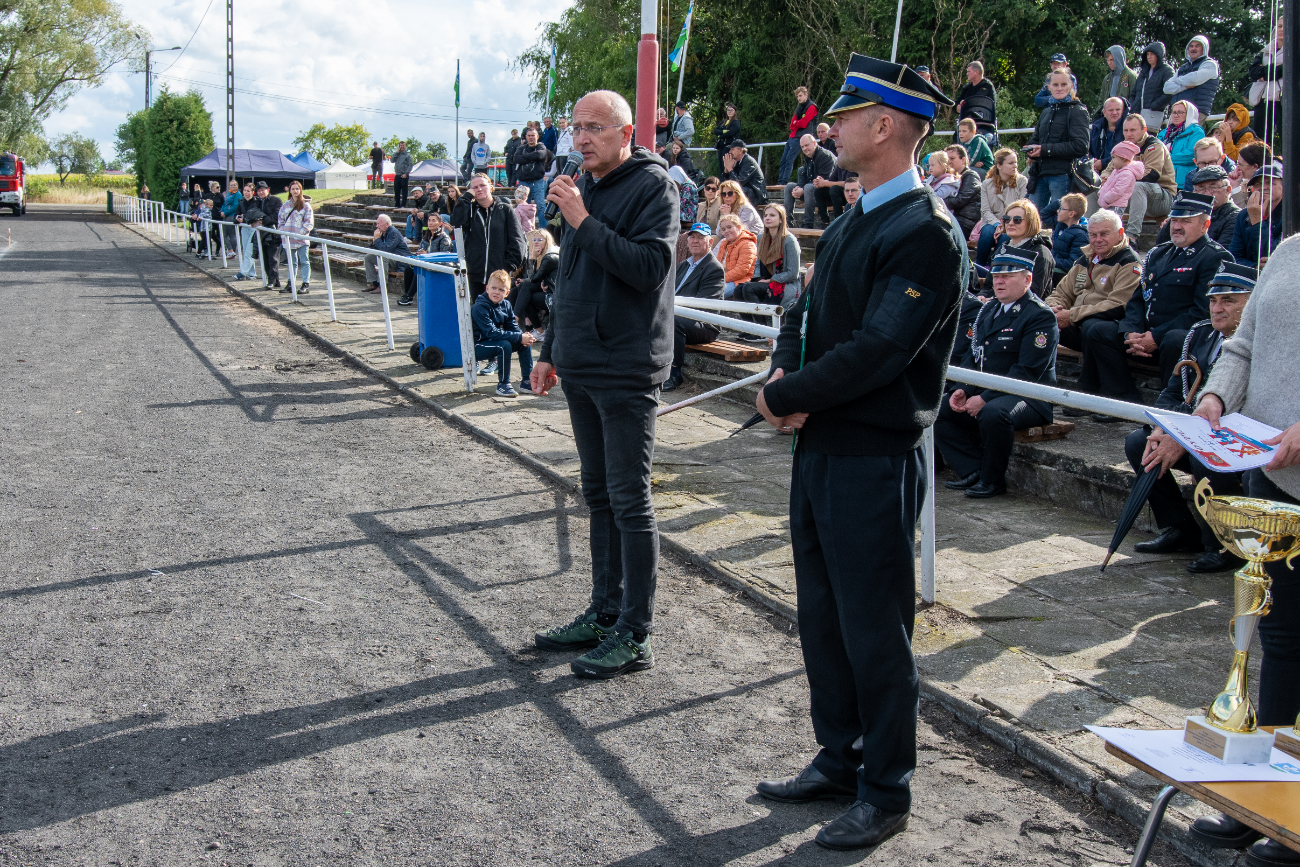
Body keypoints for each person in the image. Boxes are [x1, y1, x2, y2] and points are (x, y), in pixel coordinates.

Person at [752, 53, 963, 852]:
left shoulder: (925, 231)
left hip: (874, 454)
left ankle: (886, 787)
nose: (830, 128)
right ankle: (839, 756)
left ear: (883, 126)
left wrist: (789, 396)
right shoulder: (852, 217)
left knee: (876, 629)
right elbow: (802, 314)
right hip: (823, 447)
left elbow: (881, 349)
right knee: (824, 615)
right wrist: (784, 373)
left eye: (843, 117)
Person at [530, 89, 677, 679]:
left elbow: (648, 269)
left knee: (629, 499)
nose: (581, 138)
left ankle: (635, 632)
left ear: (626, 133)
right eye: (576, 127)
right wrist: (549, 350)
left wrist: (582, 221)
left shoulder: (654, 187)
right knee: (597, 495)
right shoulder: (583, 185)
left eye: (594, 127)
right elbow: (568, 278)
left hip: (627, 365)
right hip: (582, 362)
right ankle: (604, 611)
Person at [1189, 239, 1300, 867]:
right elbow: (1243, 347)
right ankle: (1265, 799)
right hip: (1272, 473)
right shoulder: (1288, 251)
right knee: (1279, 639)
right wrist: (1216, 397)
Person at [1125, 263, 1255, 573]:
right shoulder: (1200, 333)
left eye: (1229, 301)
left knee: (1206, 455)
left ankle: (1225, 544)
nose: (1217, 308)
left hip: (1236, 437)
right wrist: (1162, 427)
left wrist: (1186, 437)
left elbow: (1246, 408)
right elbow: (1175, 391)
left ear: (1253, 303)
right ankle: (1180, 528)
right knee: (1140, 443)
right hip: (1196, 428)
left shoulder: (1261, 342)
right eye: (1213, 300)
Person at [1081, 192, 1231, 410]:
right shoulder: (1158, 253)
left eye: (1186, 221)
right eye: (1175, 220)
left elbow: (1203, 312)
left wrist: (1156, 336)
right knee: (1098, 331)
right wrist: (1131, 331)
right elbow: (1138, 299)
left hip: (1179, 338)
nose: (1177, 226)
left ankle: (1170, 406)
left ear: (1205, 224)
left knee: (1174, 339)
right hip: (1147, 336)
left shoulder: (1215, 257)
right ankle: (1122, 400)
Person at [938, 250, 1058, 499]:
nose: (999, 281)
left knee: (994, 413)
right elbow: (973, 355)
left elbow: (1027, 372)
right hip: (991, 390)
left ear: (1027, 280)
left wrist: (984, 398)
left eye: (1007, 276)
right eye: (996, 276)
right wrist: (963, 388)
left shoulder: (1039, 316)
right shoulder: (990, 309)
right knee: (939, 408)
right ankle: (973, 469)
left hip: (1028, 397)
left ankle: (992, 480)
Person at [1044, 209, 1142, 371]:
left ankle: (1089, 381)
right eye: (1093, 235)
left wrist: (1072, 316)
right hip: (1078, 323)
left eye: (1104, 234)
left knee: (1092, 327)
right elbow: (1061, 292)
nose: (1098, 240)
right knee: (1041, 318)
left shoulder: (1129, 262)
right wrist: (1053, 309)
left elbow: (1118, 305)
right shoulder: (1086, 258)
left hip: (1107, 329)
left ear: (1120, 234)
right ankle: (1036, 376)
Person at [663, 223, 725, 392]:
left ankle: (674, 374)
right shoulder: (684, 265)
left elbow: (705, 305)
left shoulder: (714, 268)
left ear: (710, 242)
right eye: (692, 237)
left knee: (672, 321)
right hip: (680, 317)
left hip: (704, 325)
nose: (695, 241)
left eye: (700, 237)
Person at [1025, 69, 1090, 229]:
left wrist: (1045, 150)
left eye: (1063, 84)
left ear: (1071, 86)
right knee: (1032, 220)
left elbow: (1081, 146)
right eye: (1055, 84)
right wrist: (1030, 149)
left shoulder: (1078, 111)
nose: (1059, 88)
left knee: (1062, 221)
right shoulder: (1047, 111)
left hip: (1062, 174)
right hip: (1040, 173)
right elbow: (1036, 138)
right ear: (1049, 87)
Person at [449, 173, 526, 299]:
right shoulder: (470, 210)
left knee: (499, 310)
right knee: (478, 308)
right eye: (475, 187)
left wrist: (508, 266)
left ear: (491, 187)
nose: (479, 189)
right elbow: (456, 221)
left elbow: (517, 240)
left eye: (482, 185)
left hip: (499, 275)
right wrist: (466, 197)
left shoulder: (505, 210)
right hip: (475, 274)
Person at [736, 203, 800, 337]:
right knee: (739, 289)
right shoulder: (761, 238)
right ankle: (750, 328)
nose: (767, 218)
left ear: (781, 219)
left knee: (749, 289)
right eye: (765, 215)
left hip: (785, 284)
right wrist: (757, 279)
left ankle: (763, 331)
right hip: (766, 280)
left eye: (772, 215)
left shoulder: (789, 241)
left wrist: (771, 280)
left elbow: (793, 273)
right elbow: (758, 263)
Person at [471, 269, 536, 397]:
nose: (496, 292)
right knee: (504, 345)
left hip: (493, 341)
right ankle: (503, 384)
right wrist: (519, 336)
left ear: (507, 293)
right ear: (487, 288)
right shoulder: (480, 307)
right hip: (478, 345)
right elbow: (491, 333)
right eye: (494, 288)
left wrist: (524, 337)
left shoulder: (506, 305)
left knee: (524, 343)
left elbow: (512, 326)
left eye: (501, 290)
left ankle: (527, 381)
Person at [1117, 114, 1176, 242]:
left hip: (1162, 197)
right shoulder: (1122, 148)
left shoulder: (1155, 146)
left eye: (1133, 130)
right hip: (1131, 195)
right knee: (1097, 189)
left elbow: (1151, 175)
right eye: (1126, 130)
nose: (1129, 134)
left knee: (1138, 186)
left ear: (1144, 130)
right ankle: (1093, 231)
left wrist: (1122, 181)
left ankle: (1132, 237)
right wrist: (1105, 180)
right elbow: (1109, 170)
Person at [1154, 164, 1240, 248]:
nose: (1207, 194)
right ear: (1194, 193)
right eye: (1201, 188)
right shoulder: (1188, 212)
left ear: (1228, 190)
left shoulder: (1235, 216)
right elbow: (1161, 244)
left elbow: (1223, 252)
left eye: (1213, 187)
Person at [985, 199, 1055, 298]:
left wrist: (993, 299)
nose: (1010, 223)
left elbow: (1034, 294)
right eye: (1007, 219)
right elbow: (988, 284)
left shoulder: (1041, 253)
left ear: (1031, 222)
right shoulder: (1003, 248)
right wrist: (983, 296)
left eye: (1017, 220)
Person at [977, 148, 1027, 266]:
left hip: (1012, 221)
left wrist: (1005, 224)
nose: (1015, 166)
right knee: (987, 232)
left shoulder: (1022, 181)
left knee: (1005, 236)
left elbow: (1021, 207)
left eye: (1016, 162)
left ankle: (996, 266)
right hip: (992, 221)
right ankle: (979, 267)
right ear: (999, 166)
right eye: (1011, 163)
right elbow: (985, 210)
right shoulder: (987, 184)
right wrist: (997, 224)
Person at [1229, 163, 1283, 267]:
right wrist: (1254, 267)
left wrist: (1257, 223)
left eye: (1270, 183)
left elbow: (1271, 255)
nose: (1263, 187)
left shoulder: (1291, 215)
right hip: (1249, 275)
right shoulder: (1243, 215)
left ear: (1283, 187)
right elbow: (1234, 257)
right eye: (1258, 184)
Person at [398, 212, 454, 306]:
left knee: (420, 268)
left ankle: (409, 295)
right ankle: (407, 296)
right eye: (429, 220)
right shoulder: (426, 236)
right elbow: (420, 250)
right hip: (425, 262)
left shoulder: (444, 238)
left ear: (440, 223)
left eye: (433, 220)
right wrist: (419, 253)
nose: (430, 223)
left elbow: (444, 256)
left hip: (439, 265)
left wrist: (427, 255)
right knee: (409, 267)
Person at [784, 133, 837, 229]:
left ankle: (807, 224)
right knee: (789, 187)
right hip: (812, 193)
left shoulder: (825, 156)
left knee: (808, 187)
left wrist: (803, 189)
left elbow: (822, 180)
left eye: (807, 145)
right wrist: (799, 187)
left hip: (827, 195)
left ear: (814, 143)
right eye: (802, 147)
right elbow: (804, 175)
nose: (805, 148)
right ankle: (788, 223)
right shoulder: (808, 157)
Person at [511, 228, 558, 330]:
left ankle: (517, 321)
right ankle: (531, 327)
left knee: (525, 291)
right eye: (534, 240)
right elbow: (533, 278)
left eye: (540, 240)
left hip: (554, 294)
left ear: (547, 241)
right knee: (519, 289)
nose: (536, 242)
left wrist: (532, 258)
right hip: (546, 288)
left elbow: (533, 278)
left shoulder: (550, 257)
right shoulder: (543, 255)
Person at [1163, 35, 1220, 119]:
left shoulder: (1210, 64)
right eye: (1191, 46)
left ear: (1204, 48)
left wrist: (1177, 80)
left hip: (1196, 112)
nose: (1193, 49)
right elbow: (1166, 87)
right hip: (1177, 112)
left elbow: (1193, 80)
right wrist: (1185, 86)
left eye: (1197, 46)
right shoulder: (1183, 67)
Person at [1247, 20, 1284, 150]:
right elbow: (1253, 72)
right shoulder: (1265, 51)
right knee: (1259, 142)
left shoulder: (1295, 51)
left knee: (1288, 140)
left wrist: (1265, 72)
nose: (1281, 29)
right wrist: (1278, 68)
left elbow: (1291, 69)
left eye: (1285, 26)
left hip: (1284, 100)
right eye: (1279, 26)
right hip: (1264, 100)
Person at [277, 180, 314, 293]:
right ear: (289, 190)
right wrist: (283, 232)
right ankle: (290, 283)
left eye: (297, 189)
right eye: (293, 189)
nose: (295, 191)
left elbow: (309, 222)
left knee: (304, 261)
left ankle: (305, 283)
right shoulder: (285, 205)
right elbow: (280, 220)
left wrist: (300, 233)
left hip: (301, 238)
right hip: (288, 238)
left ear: (300, 190)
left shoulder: (306, 205)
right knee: (292, 262)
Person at [512, 127, 552, 230]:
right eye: (529, 135)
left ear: (537, 136)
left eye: (533, 135)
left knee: (541, 205)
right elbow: (516, 158)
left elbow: (540, 155)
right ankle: (524, 230)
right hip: (523, 182)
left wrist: (525, 156)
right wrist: (532, 158)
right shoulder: (521, 148)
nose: (531, 137)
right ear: (526, 137)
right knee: (522, 206)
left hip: (537, 182)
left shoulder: (541, 146)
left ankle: (544, 230)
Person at [1131, 42, 1175, 133]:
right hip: (1138, 115)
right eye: (1147, 54)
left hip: (1155, 116)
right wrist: (1132, 105)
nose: (1149, 57)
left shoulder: (1167, 70)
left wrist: (1154, 105)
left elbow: (1170, 92)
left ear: (1158, 55)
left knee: (1152, 140)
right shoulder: (1143, 72)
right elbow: (1134, 93)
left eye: (1152, 54)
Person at [1159, 100, 1204, 188]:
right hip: (1161, 178)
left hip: (1183, 181)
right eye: (1174, 112)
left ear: (1189, 114)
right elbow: (1155, 151)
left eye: (1180, 112)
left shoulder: (1196, 132)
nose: (1176, 115)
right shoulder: (1164, 133)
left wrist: (1165, 158)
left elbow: (1191, 155)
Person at [778, 86, 818, 184]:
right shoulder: (799, 108)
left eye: (800, 96)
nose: (798, 98)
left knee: (789, 160)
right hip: (793, 136)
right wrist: (797, 123)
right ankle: (780, 182)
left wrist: (797, 123)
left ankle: (783, 182)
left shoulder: (812, 107)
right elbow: (792, 125)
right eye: (797, 96)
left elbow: (804, 123)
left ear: (806, 95)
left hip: (802, 137)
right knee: (783, 160)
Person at [713, 213, 757, 299]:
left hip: (740, 281)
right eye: (723, 229)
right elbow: (717, 264)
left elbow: (741, 271)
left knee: (713, 295)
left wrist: (719, 278)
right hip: (723, 279)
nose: (726, 231)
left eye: (729, 227)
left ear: (739, 227)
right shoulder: (723, 243)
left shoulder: (747, 244)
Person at [1095, 141, 1146, 214]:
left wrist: (1106, 198)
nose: (1112, 161)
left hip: (1116, 205)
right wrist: (1101, 192)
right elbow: (1108, 184)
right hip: (1109, 203)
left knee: (1113, 221)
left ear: (1123, 158)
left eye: (1113, 157)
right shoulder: (1117, 171)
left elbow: (1118, 191)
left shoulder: (1127, 174)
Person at [943, 144, 981, 238]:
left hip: (966, 222)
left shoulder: (971, 176)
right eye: (947, 159)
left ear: (963, 160)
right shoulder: (949, 177)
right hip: (953, 218)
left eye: (952, 158)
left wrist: (936, 201)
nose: (949, 162)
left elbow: (959, 200)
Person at [364, 213, 407, 293]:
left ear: (387, 224)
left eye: (379, 224)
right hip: (391, 260)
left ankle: (383, 286)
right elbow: (371, 251)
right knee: (368, 257)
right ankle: (373, 283)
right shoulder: (382, 233)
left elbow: (386, 249)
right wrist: (374, 241)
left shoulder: (394, 233)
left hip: (400, 261)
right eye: (376, 224)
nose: (377, 226)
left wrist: (377, 240)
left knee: (383, 257)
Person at [955, 60, 998, 140]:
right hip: (966, 126)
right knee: (957, 138)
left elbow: (975, 105)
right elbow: (956, 107)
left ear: (976, 72)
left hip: (984, 126)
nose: (967, 74)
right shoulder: (966, 88)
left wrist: (963, 104)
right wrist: (963, 105)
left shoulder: (987, 86)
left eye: (969, 71)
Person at [1050, 192, 1089, 277]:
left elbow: (1072, 264)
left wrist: (1048, 259)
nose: (1058, 211)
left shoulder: (1080, 236)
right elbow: (1044, 214)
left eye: (1061, 208)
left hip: (1063, 277)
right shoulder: (1061, 227)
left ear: (1071, 214)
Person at [721, 140, 768, 208]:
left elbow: (739, 183)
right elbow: (727, 182)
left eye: (732, 149)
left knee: (733, 191)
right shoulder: (737, 161)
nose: (730, 152)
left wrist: (730, 169)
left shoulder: (749, 162)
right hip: (748, 192)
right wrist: (726, 170)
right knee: (724, 189)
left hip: (757, 195)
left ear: (740, 151)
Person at [1090, 97, 1129, 172]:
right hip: (1094, 171)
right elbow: (1085, 150)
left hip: (1119, 171)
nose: (1114, 113)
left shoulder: (1128, 129)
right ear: (1104, 113)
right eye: (1111, 110)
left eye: (1118, 109)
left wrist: (1103, 163)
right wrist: (1092, 162)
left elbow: (1127, 154)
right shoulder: (1096, 128)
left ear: (1123, 111)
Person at [1096, 46, 1138, 116]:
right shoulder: (1107, 78)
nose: (1109, 63)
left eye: (1112, 60)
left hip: (1125, 116)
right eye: (1107, 60)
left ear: (1119, 59)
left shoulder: (1131, 76)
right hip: (1108, 117)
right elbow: (1101, 101)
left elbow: (1135, 100)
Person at [1230, 142, 1272, 208]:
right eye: (1237, 164)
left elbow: (1245, 211)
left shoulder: (1264, 188)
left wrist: (1235, 188)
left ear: (1255, 167)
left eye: (1240, 165)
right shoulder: (1247, 184)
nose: (1237, 169)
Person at [714, 103, 741, 172]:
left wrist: (720, 136)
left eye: (731, 110)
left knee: (727, 166)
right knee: (721, 166)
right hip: (721, 146)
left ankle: (728, 178)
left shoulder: (736, 122)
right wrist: (723, 131)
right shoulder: (723, 122)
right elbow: (716, 131)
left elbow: (730, 133)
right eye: (728, 110)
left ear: (735, 112)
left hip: (730, 146)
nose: (729, 112)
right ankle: (722, 178)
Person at [392, 141, 413, 208]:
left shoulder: (408, 155)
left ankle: (403, 204)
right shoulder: (397, 154)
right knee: (396, 191)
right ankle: (397, 204)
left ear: (405, 146)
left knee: (404, 192)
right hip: (397, 175)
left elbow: (410, 165)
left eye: (403, 145)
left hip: (404, 176)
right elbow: (392, 160)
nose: (402, 147)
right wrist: (397, 152)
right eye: (401, 145)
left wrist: (406, 173)